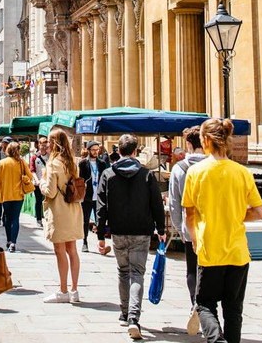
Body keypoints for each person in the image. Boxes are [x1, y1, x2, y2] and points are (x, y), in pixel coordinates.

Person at [183, 119, 262, 343]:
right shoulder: (242, 172)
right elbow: (260, 212)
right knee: (233, 309)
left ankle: (216, 340)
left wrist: (194, 238)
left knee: (205, 304)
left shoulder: (196, 172)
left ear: (207, 140)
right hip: (238, 251)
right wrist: (238, 215)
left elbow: (189, 214)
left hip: (210, 248)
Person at [96, 134, 166, 339]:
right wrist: (161, 230)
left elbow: (101, 207)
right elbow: (157, 205)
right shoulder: (146, 175)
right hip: (142, 230)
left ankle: (124, 313)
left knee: (123, 272)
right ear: (135, 152)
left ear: (118, 150)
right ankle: (134, 318)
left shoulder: (108, 174)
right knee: (137, 273)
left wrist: (101, 235)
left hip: (118, 230)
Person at [168, 126, 209, 335]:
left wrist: (179, 227)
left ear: (188, 144)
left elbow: (175, 203)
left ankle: (196, 303)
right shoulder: (216, 166)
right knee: (211, 269)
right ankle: (209, 309)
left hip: (190, 226)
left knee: (192, 269)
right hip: (214, 227)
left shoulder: (179, 168)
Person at [41, 128, 84, 304]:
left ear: (54, 143)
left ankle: (63, 290)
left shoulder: (53, 164)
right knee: (72, 250)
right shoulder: (73, 162)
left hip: (59, 211)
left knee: (60, 251)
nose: (47, 145)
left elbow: (50, 192)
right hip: (73, 209)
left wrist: (41, 183)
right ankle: (74, 290)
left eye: (49, 142)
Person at [0, 139, 31, 251]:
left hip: (6, 195)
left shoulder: (2, 163)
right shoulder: (21, 162)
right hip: (19, 195)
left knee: (7, 218)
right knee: (15, 219)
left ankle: (9, 240)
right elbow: (30, 176)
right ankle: (13, 242)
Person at [79, 141, 109, 253]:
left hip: (99, 196)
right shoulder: (83, 164)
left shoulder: (101, 163)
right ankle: (84, 242)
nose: (95, 152)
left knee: (100, 220)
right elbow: (80, 179)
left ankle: (101, 243)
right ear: (88, 150)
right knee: (85, 220)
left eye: (97, 150)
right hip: (87, 196)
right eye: (93, 150)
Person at [30, 136, 50, 228]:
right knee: (38, 201)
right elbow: (32, 170)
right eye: (42, 145)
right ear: (39, 145)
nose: (44, 147)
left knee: (49, 201)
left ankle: (48, 218)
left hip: (48, 183)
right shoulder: (34, 157)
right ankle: (38, 219)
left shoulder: (50, 156)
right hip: (37, 183)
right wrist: (37, 180)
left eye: (45, 145)